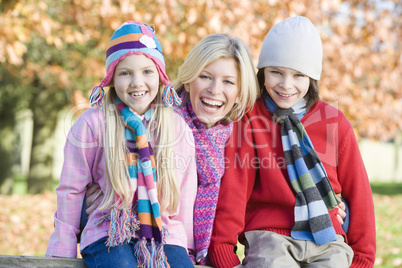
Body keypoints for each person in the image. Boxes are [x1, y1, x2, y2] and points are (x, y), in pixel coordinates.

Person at [208, 16, 376, 268]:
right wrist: (223, 250)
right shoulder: (250, 119)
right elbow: (235, 189)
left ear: (312, 78)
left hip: (327, 237)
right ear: (262, 71)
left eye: (298, 75)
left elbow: (359, 191)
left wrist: (362, 256)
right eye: (276, 72)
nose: (286, 85)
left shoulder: (333, 122)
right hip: (269, 236)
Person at [46, 21, 197, 268]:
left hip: (163, 233)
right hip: (108, 230)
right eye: (125, 72)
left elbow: (185, 194)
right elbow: (71, 190)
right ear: (112, 79)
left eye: (147, 71)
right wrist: (62, 248)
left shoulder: (175, 128)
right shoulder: (93, 124)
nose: (137, 82)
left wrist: (186, 250)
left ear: (160, 76)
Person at [172, 33, 259, 265]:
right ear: (189, 79)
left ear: (239, 92)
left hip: (213, 257)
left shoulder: (238, 136)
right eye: (205, 77)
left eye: (228, 82)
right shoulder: (162, 123)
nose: (215, 89)